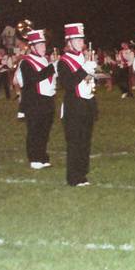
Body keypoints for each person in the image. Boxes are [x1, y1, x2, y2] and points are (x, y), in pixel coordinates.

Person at [57, 23, 97, 186]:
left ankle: (83, 174)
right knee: (75, 142)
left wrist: (92, 72)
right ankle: (74, 177)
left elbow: (88, 82)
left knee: (85, 141)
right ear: (69, 41)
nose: (81, 42)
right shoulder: (63, 61)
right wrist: (84, 70)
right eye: (77, 39)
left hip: (87, 103)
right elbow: (67, 84)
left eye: (82, 38)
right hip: (74, 106)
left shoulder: (84, 58)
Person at [15, 29, 56, 170]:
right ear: (32, 47)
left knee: (45, 130)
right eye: (40, 45)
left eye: (44, 45)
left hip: (48, 100)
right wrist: (52, 68)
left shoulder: (44, 60)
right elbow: (32, 80)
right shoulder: (26, 62)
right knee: (35, 131)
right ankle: (34, 158)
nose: (43, 48)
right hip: (34, 101)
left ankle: (42, 156)